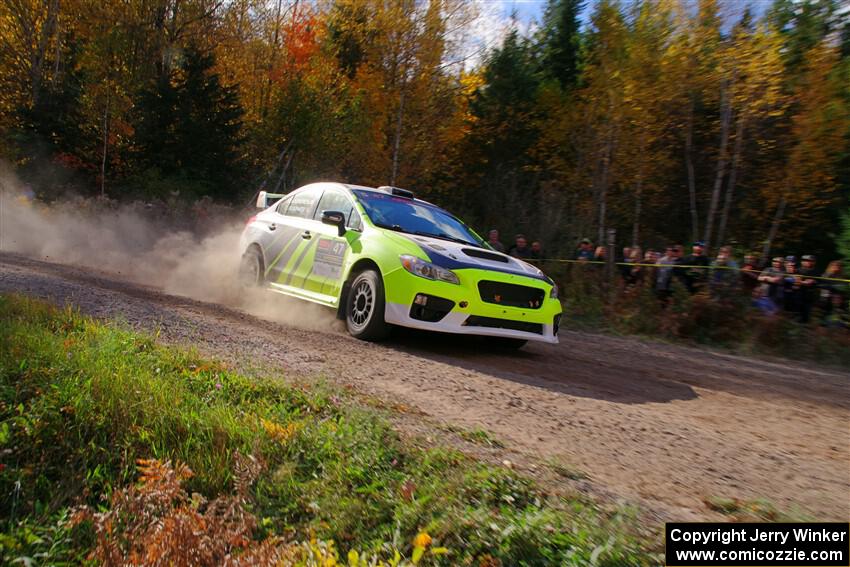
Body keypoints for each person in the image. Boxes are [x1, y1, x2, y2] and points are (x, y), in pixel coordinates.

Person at [798, 255, 818, 324]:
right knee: (797, 311)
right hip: (799, 294)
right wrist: (802, 282)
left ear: (814, 262)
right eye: (805, 260)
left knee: (806, 313)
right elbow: (796, 281)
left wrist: (801, 282)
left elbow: (810, 282)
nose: (807, 262)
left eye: (809, 261)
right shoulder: (799, 270)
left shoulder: (816, 271)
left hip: (809, 295)